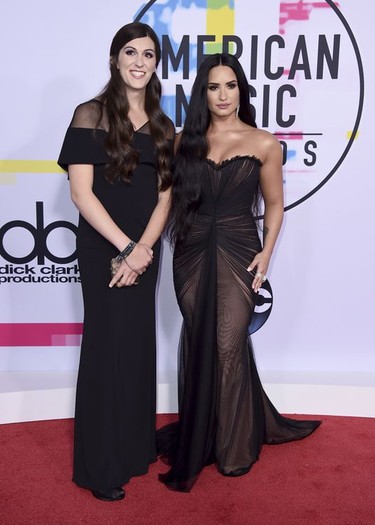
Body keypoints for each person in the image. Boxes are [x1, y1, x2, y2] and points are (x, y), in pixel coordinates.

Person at [157, 53, 321, 492]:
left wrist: (267, 254)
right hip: (190, 252)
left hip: (239, 248)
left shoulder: (264, 142)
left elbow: (274, 205)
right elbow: (166, 202)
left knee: (229, 343)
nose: (223, 95)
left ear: (241, 91)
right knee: (200, 337)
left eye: (230, 86)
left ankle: (234, 447)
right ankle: (204, 435)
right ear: (202, 93)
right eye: (213, 87)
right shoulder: (181, 142)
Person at [58, 22, 175, 501]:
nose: (139, 62)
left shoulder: (165, 126)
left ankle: (132, 449)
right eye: (131, 52)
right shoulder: (90, 114)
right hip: (104, 249)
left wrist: (144, 250)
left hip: (145, 253)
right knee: (106, 350)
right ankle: (100, 466)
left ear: (156, 64)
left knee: (137, 346)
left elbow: (165, 200)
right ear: (114, 58)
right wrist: (126, 248)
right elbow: (81, 194)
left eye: (148, 55)